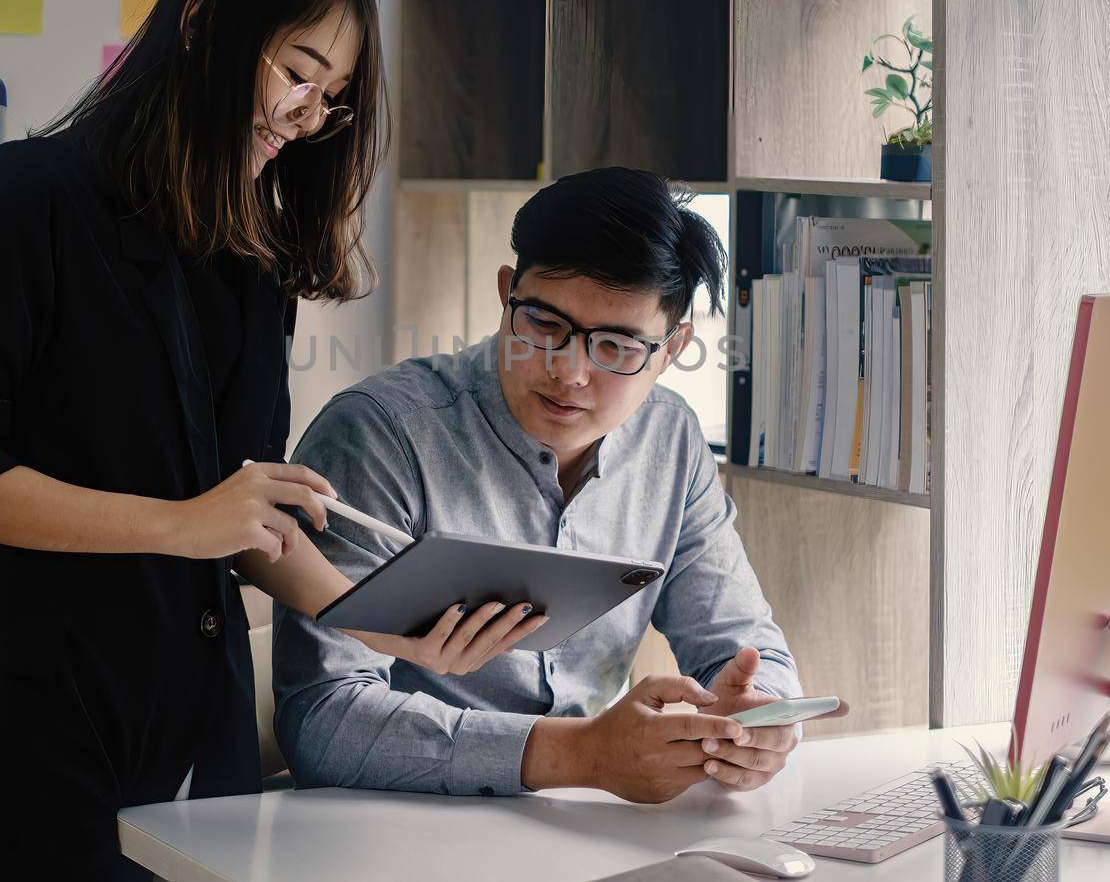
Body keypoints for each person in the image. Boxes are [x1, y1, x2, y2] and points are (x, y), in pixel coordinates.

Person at [0, 0, 537, 881]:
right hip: (54, 729)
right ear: (200, 26)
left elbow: (244, 517)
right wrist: (179, 522)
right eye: (295, 73)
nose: (306, 115)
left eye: (332, 95)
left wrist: (387, 623)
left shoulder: (252, 253)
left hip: (208, 734)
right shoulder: (30, 195)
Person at [275, 167, 839, 805]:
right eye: (544, 323)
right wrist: (581, 754)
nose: (570, 372)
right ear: (507, 293)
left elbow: (740, 642)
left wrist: (758, 714)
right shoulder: (382, 433)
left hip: (582, 826)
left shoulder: (671, 441)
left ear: (674, 347)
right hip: (391, 826)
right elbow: (321, 721)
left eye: (617, 345)